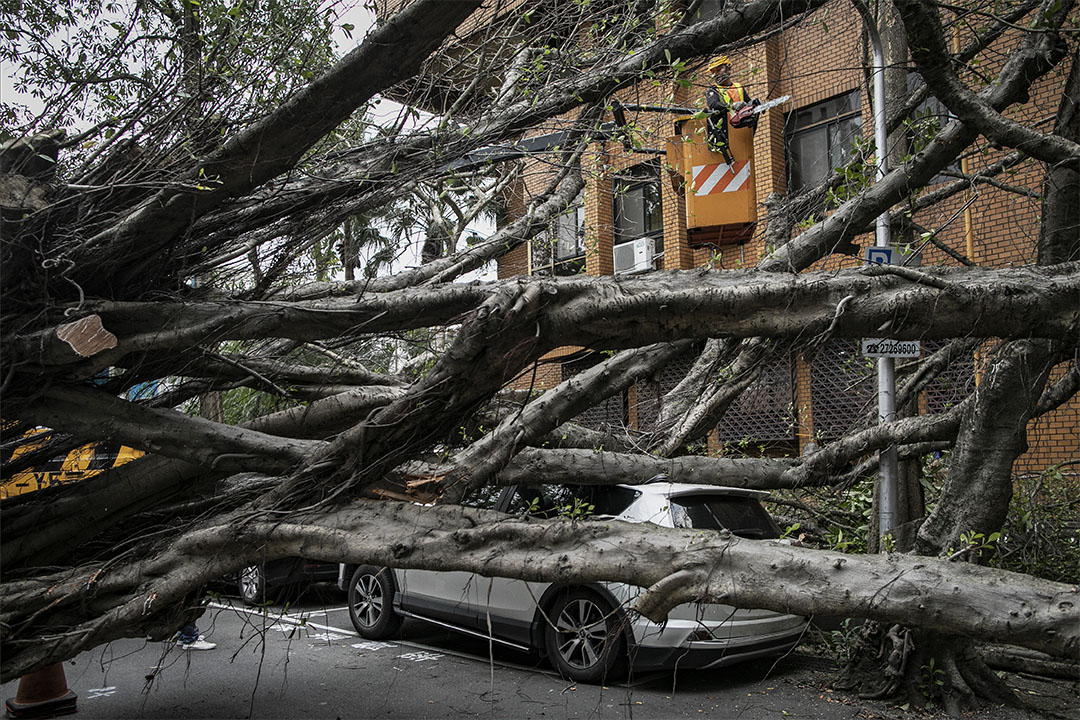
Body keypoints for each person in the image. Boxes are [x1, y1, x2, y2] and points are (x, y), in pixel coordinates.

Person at [704, 55, 758, 163]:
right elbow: (714, 105)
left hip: (741, 135)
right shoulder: (713, 90)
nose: (717, 74)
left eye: (719, 70)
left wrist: (752, 107)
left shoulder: (739, 88)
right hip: (724, 136)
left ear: (729, 69)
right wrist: (731, 106)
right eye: (714, 72)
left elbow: (749, 105)